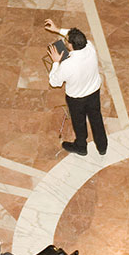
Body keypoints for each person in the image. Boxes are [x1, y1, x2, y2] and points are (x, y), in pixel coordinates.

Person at [44, 18, 107, 156]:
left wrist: (56, 62)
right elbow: (76, 36)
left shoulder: (68, 65)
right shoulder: (89, 47)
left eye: (66, 41)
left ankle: (81, 146)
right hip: (94, 93)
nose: (65, 41)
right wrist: (57, 29)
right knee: (96, 118)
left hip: (77, 99)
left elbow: (54, 82)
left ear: (71, 46)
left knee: (79, 122)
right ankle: (102, 147)